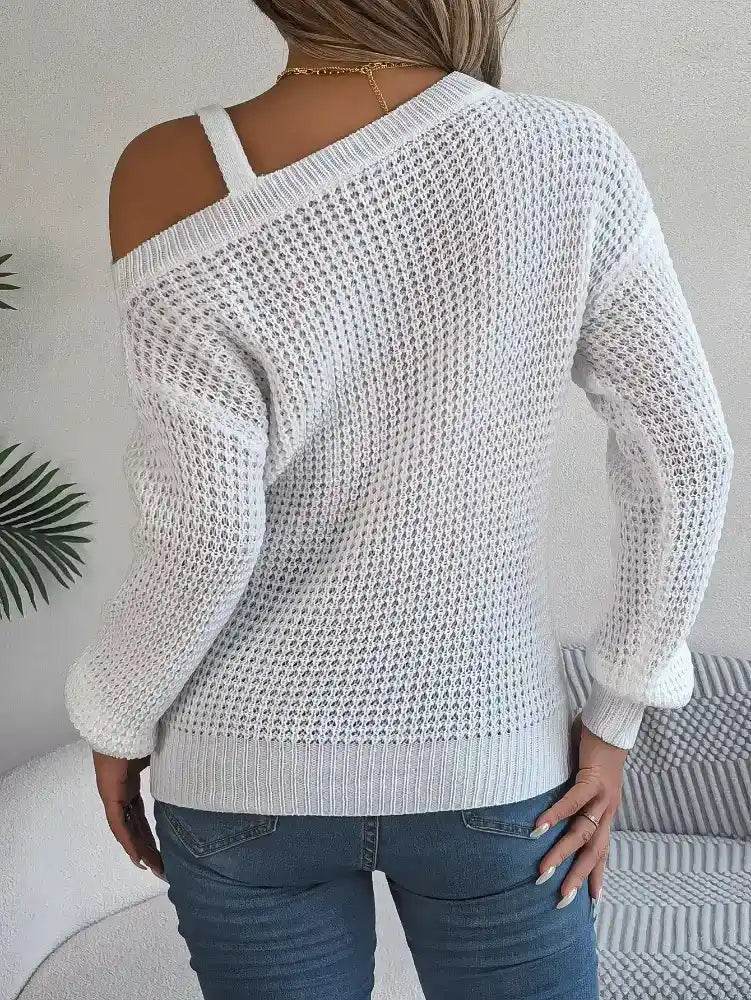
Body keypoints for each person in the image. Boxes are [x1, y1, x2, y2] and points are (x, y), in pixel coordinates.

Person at [64, 2, 734, 998]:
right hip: (490, 763)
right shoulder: (568, 153)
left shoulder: (169, 169)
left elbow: (206, 534)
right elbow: (685, 450)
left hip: (241, 770)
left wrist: (116, 716)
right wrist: (615, 714)